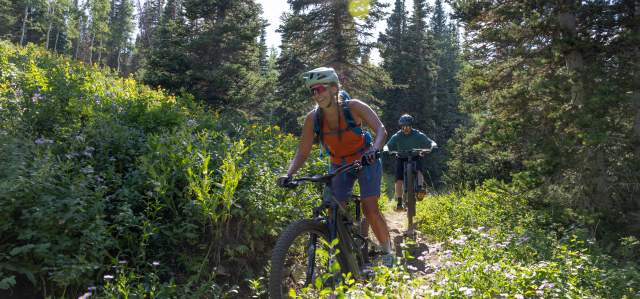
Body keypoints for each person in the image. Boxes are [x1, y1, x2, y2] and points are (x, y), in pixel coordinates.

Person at [277, 67, 395, 266]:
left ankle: (387, 253)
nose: (317, 95)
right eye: (313, 91)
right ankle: (342, 256)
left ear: (333, 88)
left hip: (365, 159)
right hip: (339, 163)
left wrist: (374, 150)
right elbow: (303, 151)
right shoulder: (312, 118)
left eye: (320, 89)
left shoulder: (354, 107)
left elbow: (381, 130)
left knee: (370, 208)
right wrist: (288, 173)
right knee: (333, 212)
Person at [384, 114, 437, 211]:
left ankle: (420, 188)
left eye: (408, 126)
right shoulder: (397, 135)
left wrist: (433, 145)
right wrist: (386, 149)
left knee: (419, 168)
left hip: (415, 156)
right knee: (398, 179)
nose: (406, 128)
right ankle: (399, 202)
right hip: (401, 157)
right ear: (401, 127)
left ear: (411, 126)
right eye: (403, 126)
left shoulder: (417, 134)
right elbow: (388, 145)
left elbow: (430, 141)